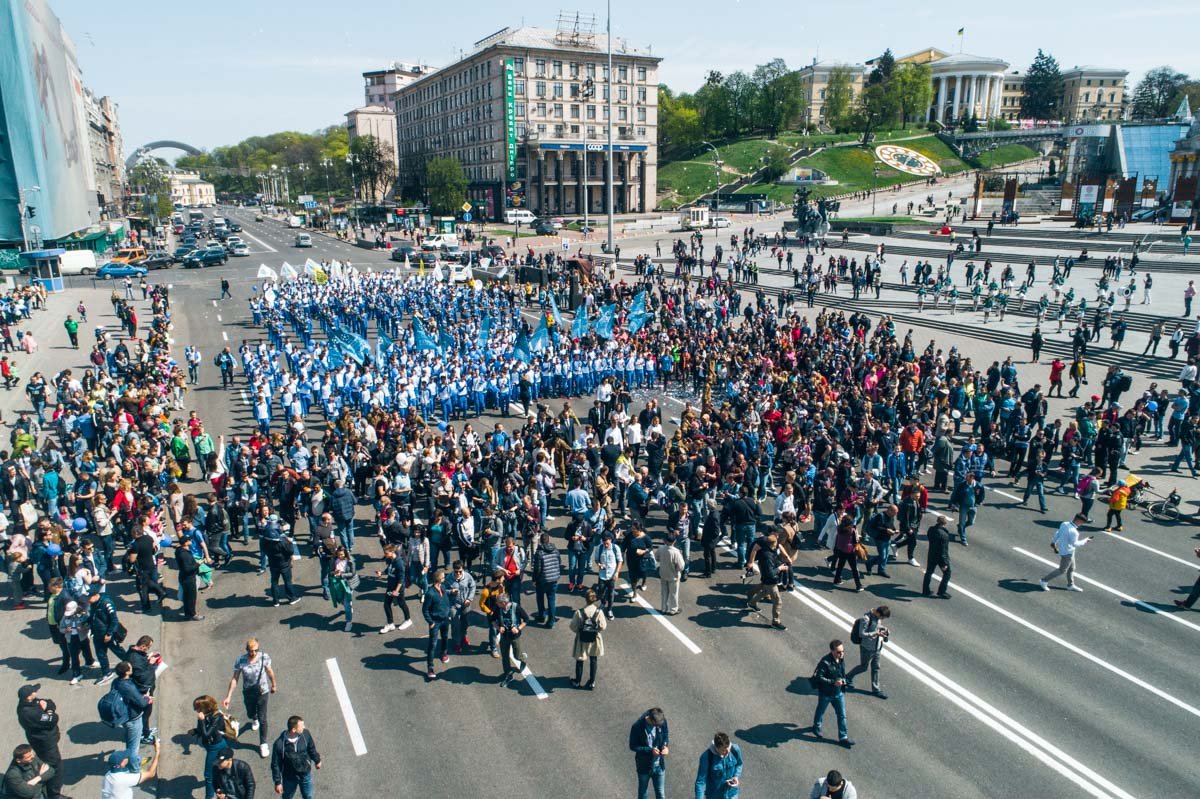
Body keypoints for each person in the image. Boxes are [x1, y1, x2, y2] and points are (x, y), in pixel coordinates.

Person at [221, 638, 277, 758]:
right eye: (251, 651)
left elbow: (269, 671)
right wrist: (228, 697)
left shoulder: (264, 657)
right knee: (250, 713)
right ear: (247, 650)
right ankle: (254, 718)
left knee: (263, 718)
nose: (254, 653)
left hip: (262, 691)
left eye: (256, 650)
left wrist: (273, 684)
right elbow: (235, 679)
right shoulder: (241, 660)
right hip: (248, 692)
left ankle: (263, 744)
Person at [15, 686, 65, 799]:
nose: (36, 692)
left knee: (47, 763)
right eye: (33, 691)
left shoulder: (29, 702)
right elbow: (53, 719)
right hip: (45, 743)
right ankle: (54, 795)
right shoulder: (29, 713)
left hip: (44, 740)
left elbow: (50, 702)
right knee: (55, 768)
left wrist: (47, 707)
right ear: (28, 697)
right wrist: (49, 710)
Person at [810, 639, 854, 747]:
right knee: (821, 711)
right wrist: (833, 682)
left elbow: (841, 673)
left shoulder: (841, 659)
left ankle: (843, 737)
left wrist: (844, 681)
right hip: (826, 693)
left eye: (843, 651)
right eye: (839, 652)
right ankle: (816, 726)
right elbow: (819, 677)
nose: (842, 654)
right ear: (832, 651)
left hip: (838, 693)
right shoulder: (825, 662)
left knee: (842, 715)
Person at [270, 715, 321, 799]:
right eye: (302, 726)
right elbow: (275, 765)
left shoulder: (305, 734)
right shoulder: (279, 744)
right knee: (287, 797)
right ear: (294, 730)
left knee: (309, 796)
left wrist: (317, 760)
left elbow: (311, 748)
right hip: (289, 777)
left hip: (305, 773)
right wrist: (277, 782)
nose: (304, 727)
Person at [746, 533, 790, 629]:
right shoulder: (768, 556)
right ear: (774, 543)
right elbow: (770, 573)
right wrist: (780, 568)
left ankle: (751, 601)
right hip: (770, 580)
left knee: (765, 590)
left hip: (767, 579)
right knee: (777, 601)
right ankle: (775, 622)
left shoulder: (768, 550)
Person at [846, 605, 891, 699]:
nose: (882, 619)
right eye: (882, 617)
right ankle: (847, 677)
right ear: (878, 613)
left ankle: (876, 690)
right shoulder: (866, 619)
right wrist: (876, 633)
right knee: (863, 667)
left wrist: (884, 629)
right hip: (867, 648)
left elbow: (877, 626)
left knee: (876, 668)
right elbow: (861, 634)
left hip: (877, 648)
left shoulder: (878, 618)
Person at [1040, 513, 1092, 592]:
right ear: (1079, 521)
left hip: (1064, 549)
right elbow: (1075, 544)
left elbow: (1058, 533)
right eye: (1082, 523)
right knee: (1062, 570)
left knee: (1072, 568)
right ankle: (1044, 581)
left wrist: (1054, 541)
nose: (1082, 524)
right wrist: (1086, 540)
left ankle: (1070, 585)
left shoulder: (1064, 524)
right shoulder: (1074, 532)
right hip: (1068, 552)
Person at [192, 695, 231, 799]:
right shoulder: (205, 715)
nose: (196, 710)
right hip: (210, 745)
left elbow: (206, 734)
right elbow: (201, 730)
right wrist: (195, 731)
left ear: (205, 707)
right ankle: (222, 786)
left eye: (198, 708)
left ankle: (209, 796)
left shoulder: (217, 717)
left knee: (208, 775)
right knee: (219, 768)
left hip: (216, 746)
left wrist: (201, 720)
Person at [491, 592, 530, 687]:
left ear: (504, 603)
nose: (496, 604)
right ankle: (508, 675)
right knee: (505, 657)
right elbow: (492, 620)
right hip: (504, 636)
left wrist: (518, 629)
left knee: (517, 655)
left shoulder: (516, 607)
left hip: (515, 636)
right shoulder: (498, 609)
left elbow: (526, 619)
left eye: (498, 602)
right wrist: (498, 628)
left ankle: (523, 659)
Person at [629, 707, 670, 799]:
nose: (658, 727)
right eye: (656, 725)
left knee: (661, 794)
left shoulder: (661, 721)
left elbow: (665, 734)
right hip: (644, 766)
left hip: (659, 765)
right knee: (643, 792)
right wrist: (650, 750)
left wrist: (665, 745)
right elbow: (633, 746)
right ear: (651, 720)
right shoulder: (637, 727)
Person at [569, 589, 607, 689]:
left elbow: (573, 626)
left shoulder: (579, 612)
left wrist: (579, 631)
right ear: (595, 599)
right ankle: (591, 682)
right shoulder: (599, 612)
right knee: (593, 659)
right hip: (594, 638)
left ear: (586, 599)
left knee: (580, 659)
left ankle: (577, 681)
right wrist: (596, 630)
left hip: (582, 638)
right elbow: (603, 626)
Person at [692, 731, 742, 799]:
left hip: (732, 794)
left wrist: (736, 776)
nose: (727, 752)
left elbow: (739, 764)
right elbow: (701, 782)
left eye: (728, 747)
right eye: (723, 750)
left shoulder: (735, 749)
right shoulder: (706, 757)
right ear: (716, 748)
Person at [421, 568, 451, 680]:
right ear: (438, 579)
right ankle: (430, 667)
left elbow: (446, 600)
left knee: (445, 638)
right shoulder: (430, 593)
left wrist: (448, 613)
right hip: (435, 622)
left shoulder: (443, 587)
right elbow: (425, 610)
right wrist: (431, 622)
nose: (444, 578)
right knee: (432, 644)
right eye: (443, 577)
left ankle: (443, 653)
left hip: (445, 619)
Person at [530, 532, 561, 627]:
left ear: (540, 541)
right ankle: (551, 621)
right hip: (554, 579)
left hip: (542, 580)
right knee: (551, 600)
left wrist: (534, 580)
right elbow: (559, 562)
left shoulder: (539, 553)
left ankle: (542, 616)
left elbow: (537, 569)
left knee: (540, 599)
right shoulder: (556, 550)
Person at [922, 514, 952, 598]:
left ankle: (925, 590)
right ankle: (942, 591)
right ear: (945, 523)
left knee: (929, 572)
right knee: (947, 573)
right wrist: (944, 563)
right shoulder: (944, 535)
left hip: (932, 554)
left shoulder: (931, 529)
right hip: (940, 556)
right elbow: (943, 549)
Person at [657, 531, 687, 615]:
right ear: (674, 541)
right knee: (673, 593)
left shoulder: (661, 548)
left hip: (663, 574)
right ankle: (673, 609)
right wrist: (676, 569)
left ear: (665, 541)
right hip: (673, 576)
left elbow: (657, 558)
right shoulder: (676, 552)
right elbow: (681, 566)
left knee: (664, 592)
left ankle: (663, 608)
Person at [175, 535, 204, 621]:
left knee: (187, 597)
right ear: (185, 543)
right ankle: (192, 614)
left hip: (185, 577)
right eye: (189, 540)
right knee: (191, 597)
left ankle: (187, 614)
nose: (191, 540)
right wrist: (198, 564)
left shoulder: (181, 551)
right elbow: (187, 569)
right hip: (189, 578)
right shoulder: (184, 554)